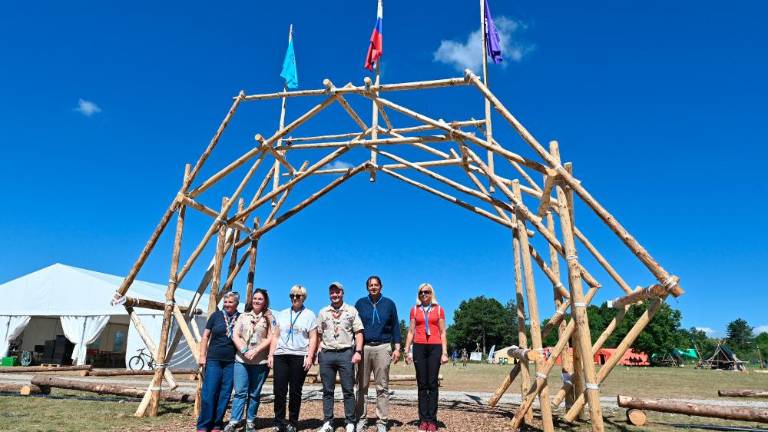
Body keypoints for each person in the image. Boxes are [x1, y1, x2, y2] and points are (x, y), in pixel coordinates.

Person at [315, 282, 364, 432]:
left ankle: (350, 421)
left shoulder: (351, 310)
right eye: (332, 293)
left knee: (348, 389)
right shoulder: (323, 312)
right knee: (327, 390)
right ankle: (328, 421)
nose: (335, 295)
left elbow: (358, 332)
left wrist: (358, 351)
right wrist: (318, 352)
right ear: (329, 294)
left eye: (337, 292)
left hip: (345, 353)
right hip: (327, 353)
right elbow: (318, 333)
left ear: (343, 293)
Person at [354, 275, 401, 432]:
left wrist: (397, 348)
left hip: (383, 347)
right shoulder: (360, 304)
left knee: (382, 386)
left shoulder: (389, 304)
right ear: (367, 287)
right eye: (370, 285)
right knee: (362, 386)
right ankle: (361, 419)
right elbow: (354, 327)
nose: (373, 287)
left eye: (376, 285)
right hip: (364, 347)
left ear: (381, 287)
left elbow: (395, 327)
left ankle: (382, 421)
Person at [224, 289, 275, 432]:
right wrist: (245, 351)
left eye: (260, 299)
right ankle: (234, 421)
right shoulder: (244, 316)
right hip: (242, 360)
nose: (257, 301)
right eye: (255, 298)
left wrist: (256, 350)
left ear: (265, 301)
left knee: (254, 393)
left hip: (260, 362)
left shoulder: (268, 317)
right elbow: (235, 334)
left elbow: (272, 336)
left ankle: (250, 421)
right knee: (240, 392)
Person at [269, 285, 318, 432]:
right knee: (279, 390)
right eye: (292, 295)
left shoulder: (309, 315)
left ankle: (293, 422)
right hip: (281, 355)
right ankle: (279, 422)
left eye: (298, 296)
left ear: (304, 297)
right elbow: (276, 335)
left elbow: (313, 337)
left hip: (299, 355)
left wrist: (310, 356)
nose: (295, 298)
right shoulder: (283, 314)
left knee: (295, 390)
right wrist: (271, 354)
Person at [404, 283, 448, 432]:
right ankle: (423, 419)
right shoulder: (414, 310)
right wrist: (407, 350)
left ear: (432, 294)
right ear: (418, 295)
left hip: (435, 347)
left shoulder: (439, 309)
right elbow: (411, 331)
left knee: (432, 384)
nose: (424, 294)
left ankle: (432, 420)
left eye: (427, 292)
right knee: (422, 385)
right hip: (419, 347)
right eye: (421, 292)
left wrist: (444, 352)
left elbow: (443, 332)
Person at [197, 291, 241, 432]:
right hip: (214, 360)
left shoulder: (241, 318)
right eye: (226, 302)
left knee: (225, 393)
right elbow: (205, 336)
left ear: (237, 304)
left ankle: (217, 424)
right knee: (209, 393)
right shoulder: (215, 316)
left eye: (230, 302)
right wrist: (202, 355)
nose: (227, 304)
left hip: (231, 362)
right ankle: (203, 425)